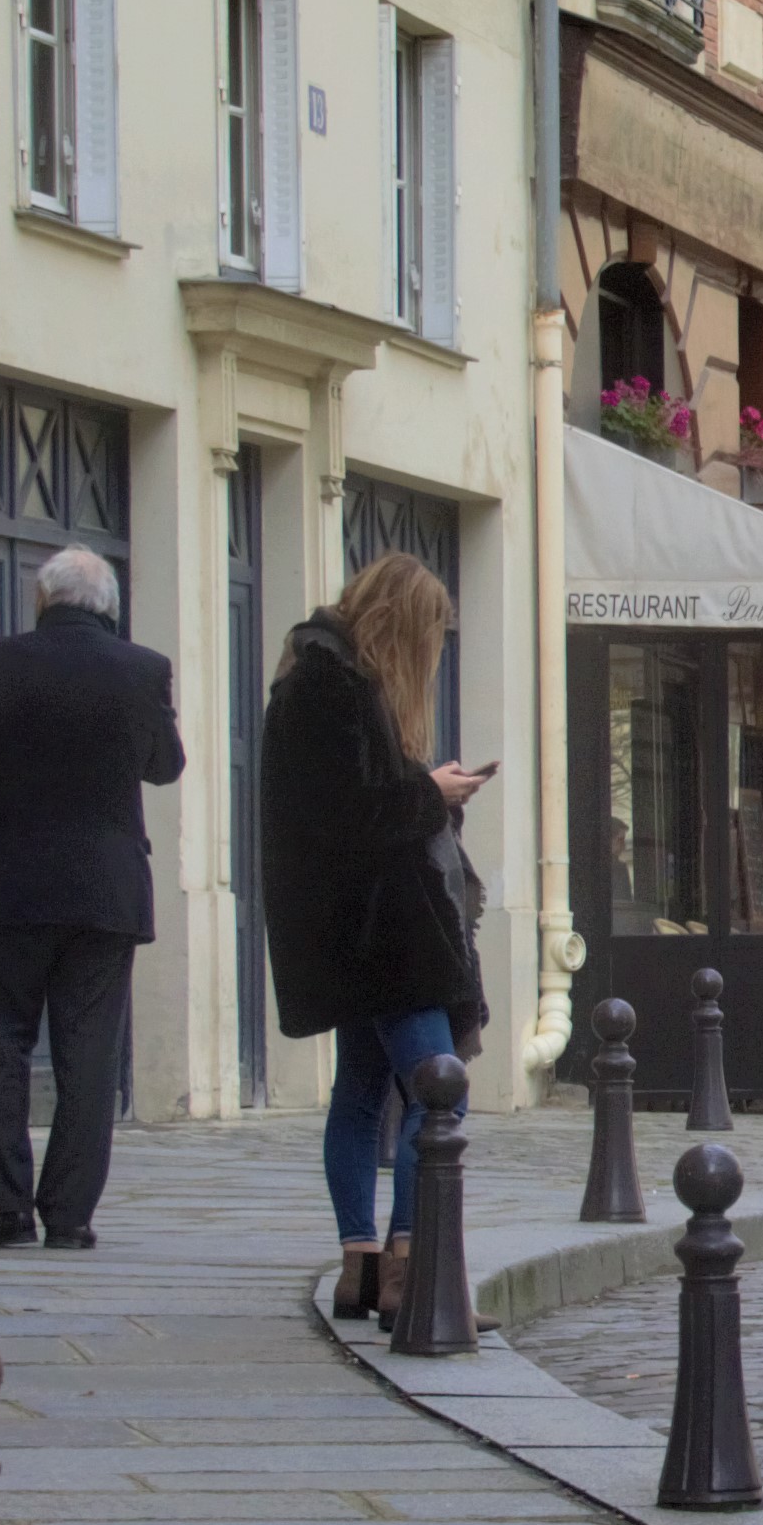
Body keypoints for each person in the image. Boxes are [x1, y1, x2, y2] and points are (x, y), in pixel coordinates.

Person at [259, 555, 491, 1322]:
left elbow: (343, 806)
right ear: (401, 625)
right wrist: (431, 791)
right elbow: (354, 815)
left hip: (349, 930)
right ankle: (408, 1270)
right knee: (439, 1093)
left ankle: (360, 1267)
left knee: (360, 1094)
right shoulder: (332, 685)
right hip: (384, 931)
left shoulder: (318, 675)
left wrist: (428, 789)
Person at [0, 542, 184, 1249]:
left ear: (42, 599)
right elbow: (165, 766)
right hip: (105, 893)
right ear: (109, 606)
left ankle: (7, 1207)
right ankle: (71, 1216)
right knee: (89, 1055)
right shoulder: (143, 668)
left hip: (5, 888)